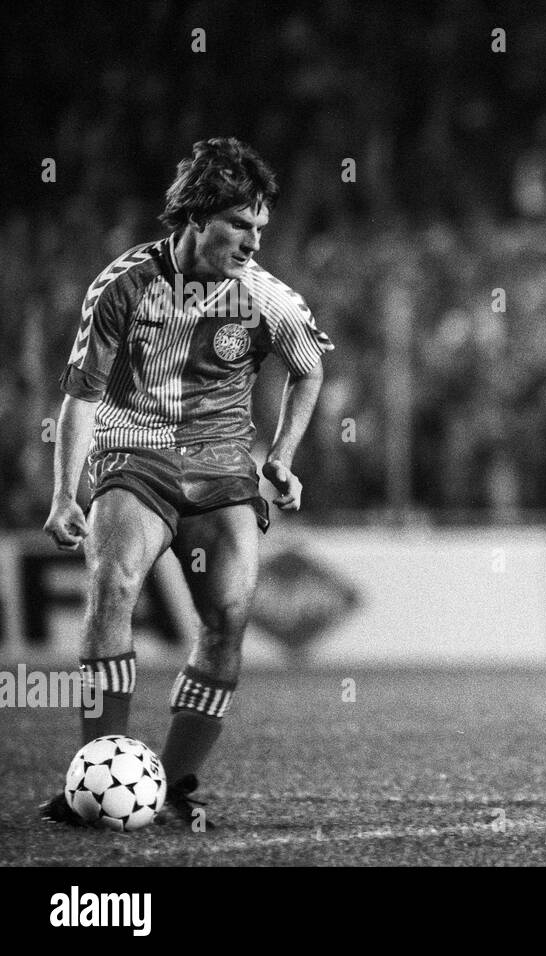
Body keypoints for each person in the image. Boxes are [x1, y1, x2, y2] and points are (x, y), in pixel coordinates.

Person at [40, 137, 332, 828]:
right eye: (240, 225)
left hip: (222, 466)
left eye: (261, 228)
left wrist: (283, 455)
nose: (253, 242)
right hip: (134, 455)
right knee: (113, 584)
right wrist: (63, 493)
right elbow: (80, 398)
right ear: (198, 217)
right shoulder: (122, 286)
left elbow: (309, 365)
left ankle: (173, 785)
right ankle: (98, 779)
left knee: (229, 615)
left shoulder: (267, 298)